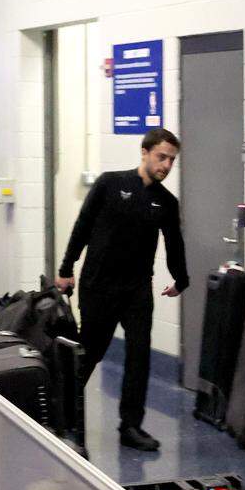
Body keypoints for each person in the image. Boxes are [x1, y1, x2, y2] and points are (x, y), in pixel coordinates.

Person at [56, 128, 189, 451]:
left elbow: (174, 244)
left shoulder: (166, 202)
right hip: (98, 284)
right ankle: (63, 417)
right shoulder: (110, 183)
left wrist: (181, 279)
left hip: (137, 289)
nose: (166, 165)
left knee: (139, 354)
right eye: (161, 157)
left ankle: (131, 425)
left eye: (171, 160)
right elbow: (83, 226)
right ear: (144, 153)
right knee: (91, 351)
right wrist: (66, 268)